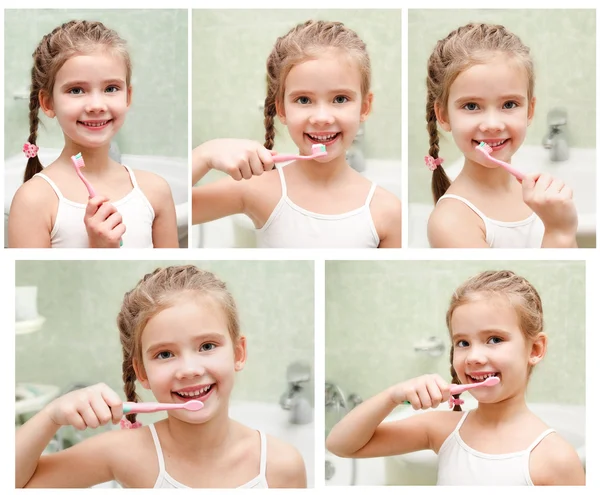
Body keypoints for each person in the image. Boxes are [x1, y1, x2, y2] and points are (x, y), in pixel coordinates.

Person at [15, 265, 307, 488]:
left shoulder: (281, 465)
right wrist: (51, 416)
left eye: (207, 346)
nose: (189, 369)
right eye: (165, 354)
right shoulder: (126, 453)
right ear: (141, 372)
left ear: (239, 353)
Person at [326, 270, 585, 485]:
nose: (473, 356)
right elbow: (341, 445)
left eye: (494, 339)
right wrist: (393, 396)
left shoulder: (555, 458)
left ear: (535, 349)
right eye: (462, 342)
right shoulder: (443, 429)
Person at [192, 20, 401, 248]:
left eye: (340, 99)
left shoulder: (387, 211)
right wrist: (204, 155)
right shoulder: (255, 189)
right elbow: (162, 210)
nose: (322, 117)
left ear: (364, 107)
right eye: (303, 100)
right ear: (281, 109)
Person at [8, 20, 178, 248]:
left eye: (111, 88)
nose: (96, 105)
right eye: (76, 90)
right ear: (48, 103)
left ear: (128, 96)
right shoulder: (33, 201)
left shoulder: (156, 191)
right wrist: (99, 248)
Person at [424, 23, 577, 248]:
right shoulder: (450, 222)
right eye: (471, 106)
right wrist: (559, 231)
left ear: (530, 110)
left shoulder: (536, 194)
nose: (493, 125)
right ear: (444, 116)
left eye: (509, 104)